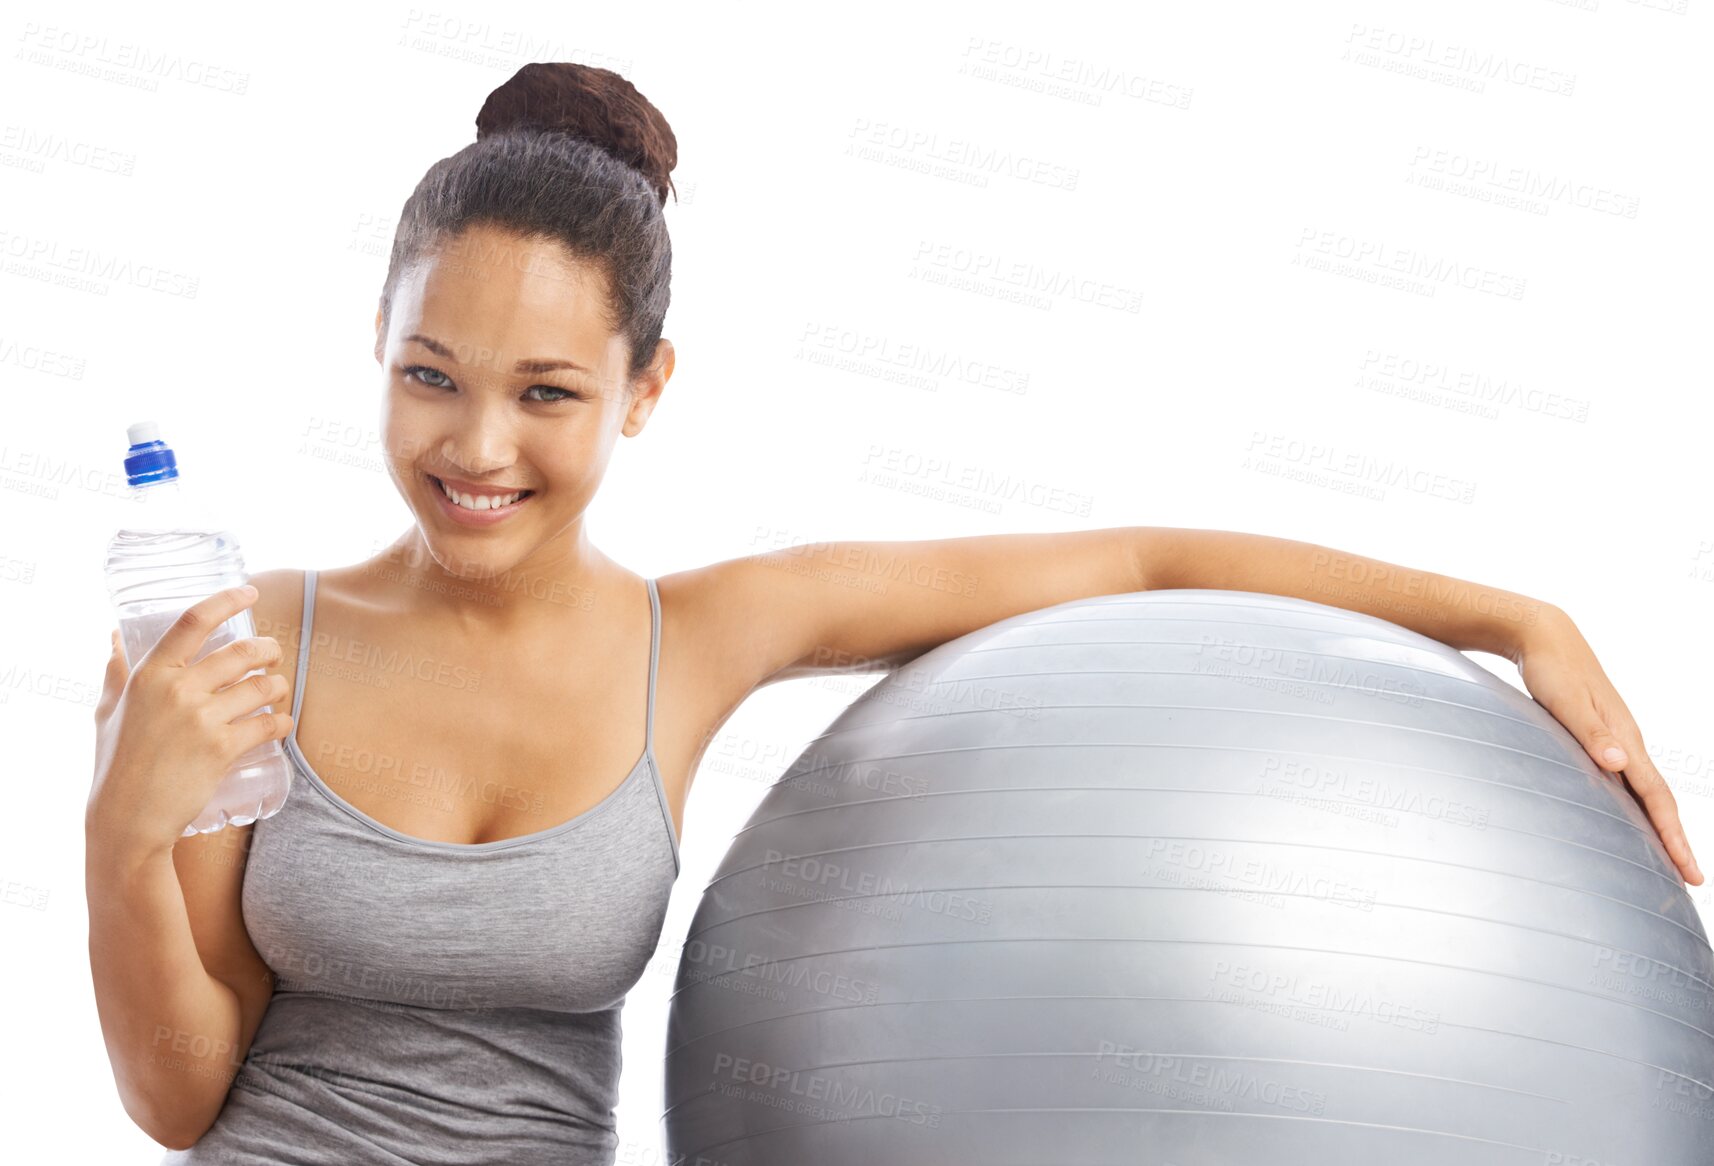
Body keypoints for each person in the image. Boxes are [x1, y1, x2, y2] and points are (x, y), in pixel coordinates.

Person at [85, 61, 1701, 1165]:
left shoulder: (703, 638)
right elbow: (181, 1097)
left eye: (547, 391)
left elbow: (1127, 567)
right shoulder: (237, 641)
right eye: (428, 376)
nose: (476, 449)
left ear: (645, 391)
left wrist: (1510, 615)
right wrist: (122, 825)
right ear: (377, 339)